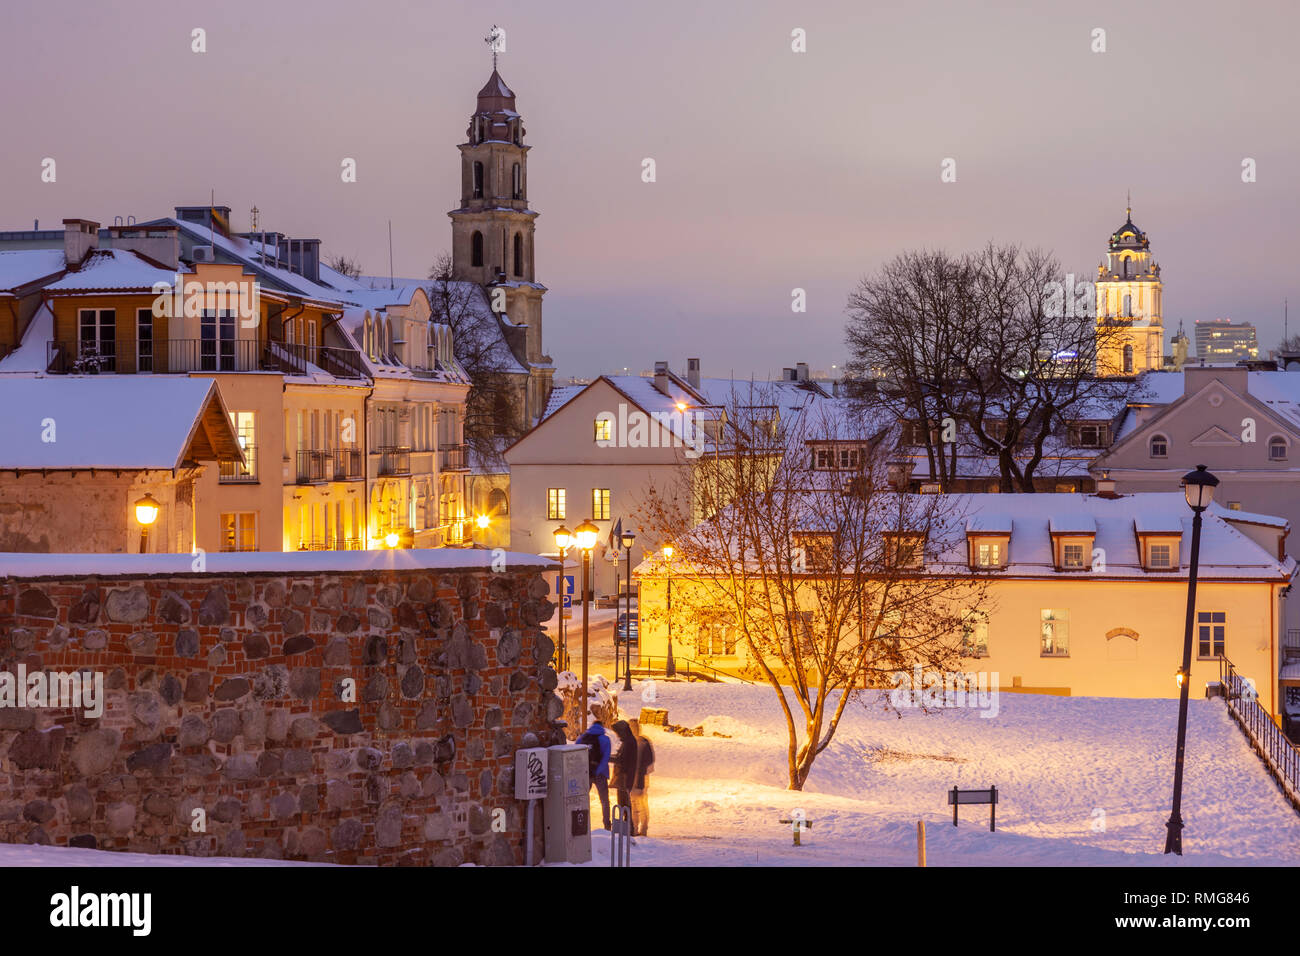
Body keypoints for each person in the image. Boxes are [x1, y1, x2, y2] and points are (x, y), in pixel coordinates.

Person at [577, 719, 611, 830]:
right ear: (602, 727)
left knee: (582, 799)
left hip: (585, 773)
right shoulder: (605, 739)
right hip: (600, 774)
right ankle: (607, 825)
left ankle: (580, 823)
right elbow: (606, 758)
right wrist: (598, 771)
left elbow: (575, 752)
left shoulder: (582, 738)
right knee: (604, 800)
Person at [609, 719, 639, 830]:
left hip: (625, 777)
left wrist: (609, 758)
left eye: (618, 732)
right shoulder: (628, 741)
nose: (617, 735)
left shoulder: (629, 742)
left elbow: (623, 760)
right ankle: (626, 826)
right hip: (625, 777)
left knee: (624, 803)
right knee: (623, 803)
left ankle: (628, 828)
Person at [629, 718, 655, 837]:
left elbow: (650, 761)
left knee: (640, 803)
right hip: (635, 778)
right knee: (635, 803)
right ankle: (635, 828)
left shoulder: (642, 742)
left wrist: (643, 773)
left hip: (640, 778)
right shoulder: (637, 742)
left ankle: (642, 828)